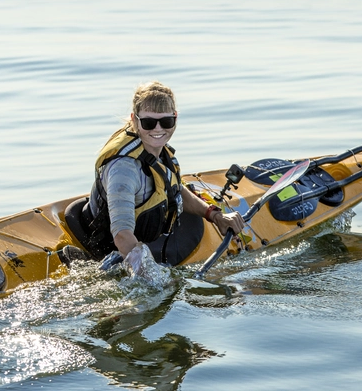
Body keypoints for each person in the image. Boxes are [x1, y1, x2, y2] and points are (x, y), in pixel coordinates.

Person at [79, 81, 245, 273]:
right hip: (111, 252)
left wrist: (215, 215)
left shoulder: (159, 153)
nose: (158, 129)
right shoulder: (123, 170)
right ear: (135, 120)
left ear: (175, 118)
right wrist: (152, 277)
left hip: (145, 239)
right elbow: (122, 236)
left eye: (166, 122)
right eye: (149, 123)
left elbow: (174, 189)